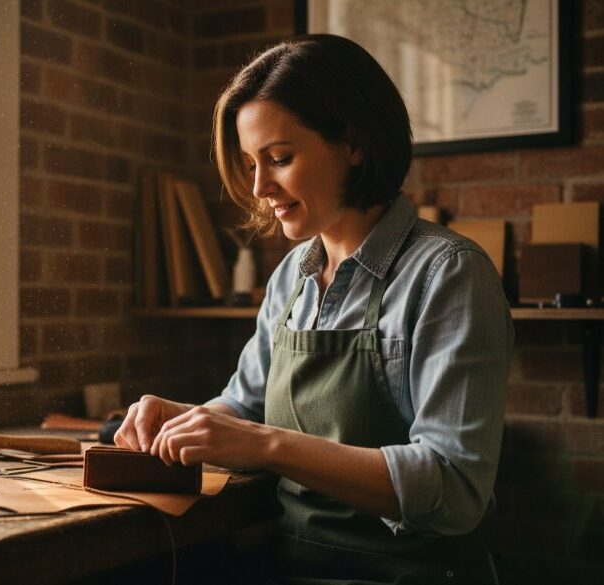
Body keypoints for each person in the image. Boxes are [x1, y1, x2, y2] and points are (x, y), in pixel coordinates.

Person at [114, 34, 513, 585]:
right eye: (251, 163)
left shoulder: (447, 273)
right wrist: (185, 419)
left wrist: (267, 445)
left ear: (353, 142)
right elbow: (246, 405)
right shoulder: (292, 276)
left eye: (280, 159)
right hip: (292, 565)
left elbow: (453, 486)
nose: (259, 187)